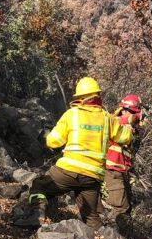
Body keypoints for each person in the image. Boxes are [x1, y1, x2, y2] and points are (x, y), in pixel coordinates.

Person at [18, 77, 133, 230]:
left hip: (68, 171)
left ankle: (36, 217)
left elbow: (53, 141)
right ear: (98, 96)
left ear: (80, 98)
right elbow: (125, 137)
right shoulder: (107, 118)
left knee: (39, 186)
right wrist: (129, 127)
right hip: (92, 177)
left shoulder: (72, 114)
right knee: (91, 216)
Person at [104, 94, 144, 232]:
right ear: (124, 110)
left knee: (127, 207)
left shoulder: (131, 129)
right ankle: (106, 235)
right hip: (113, 169)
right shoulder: (116, 121)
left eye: (136, 112)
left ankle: (123, 237)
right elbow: (126, 120)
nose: (135, 115)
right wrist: (138, 116)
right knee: (120, 207)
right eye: (133, 111)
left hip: (122, 171)